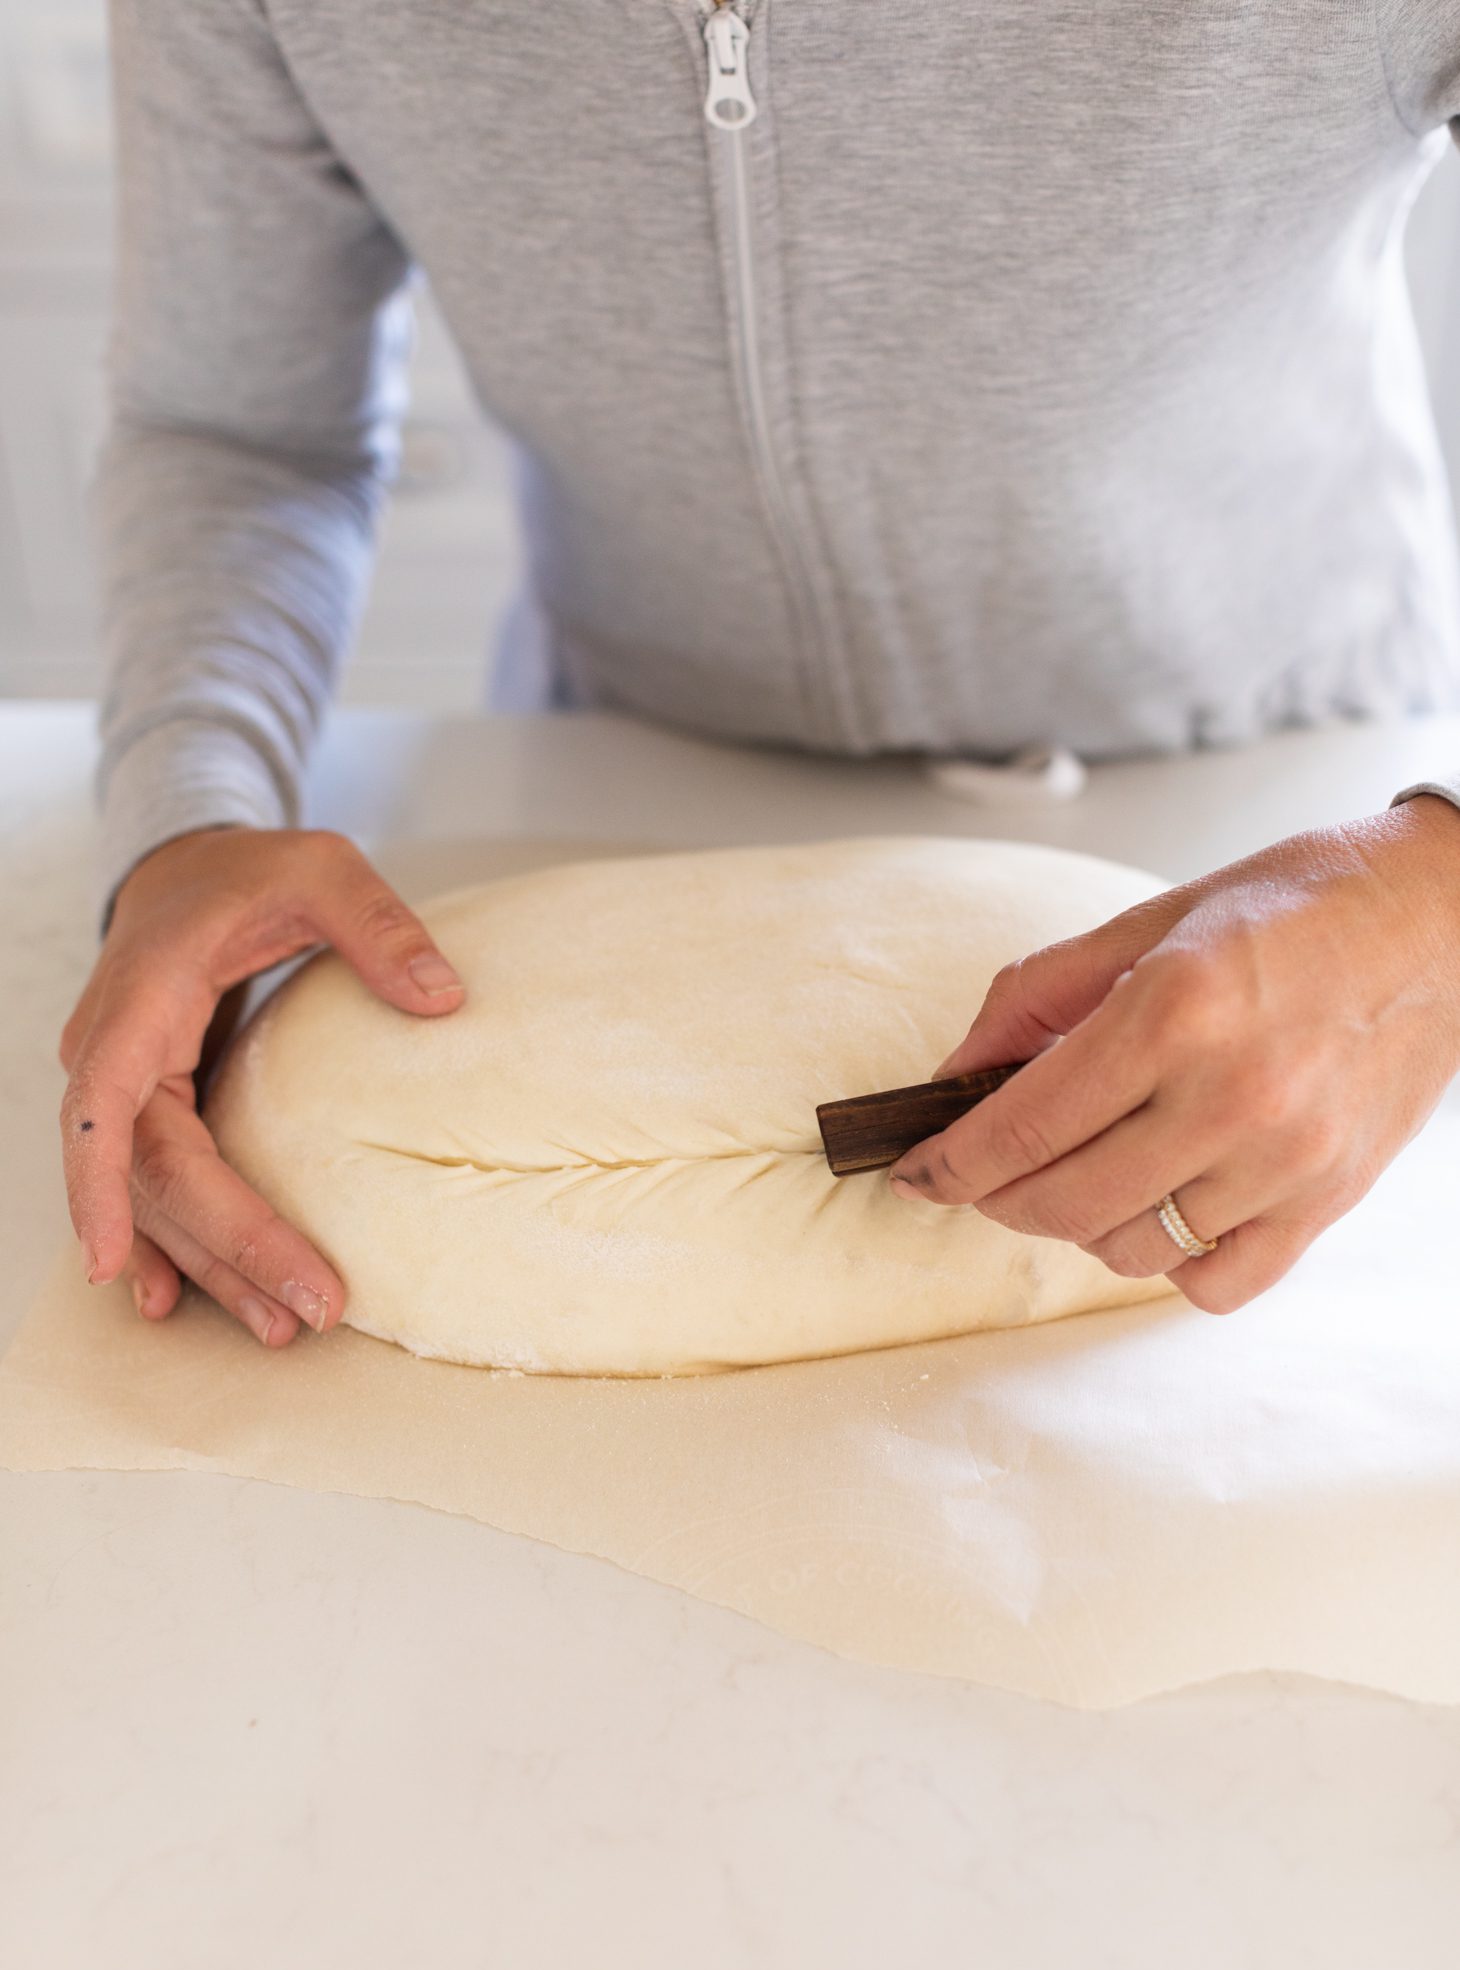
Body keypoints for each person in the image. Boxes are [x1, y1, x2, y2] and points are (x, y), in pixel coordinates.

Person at [60, 1, 1460, 1348]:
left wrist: (1433, 906)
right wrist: (192, 801)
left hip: (1297, 814)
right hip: (615, 779)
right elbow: (235, 426)